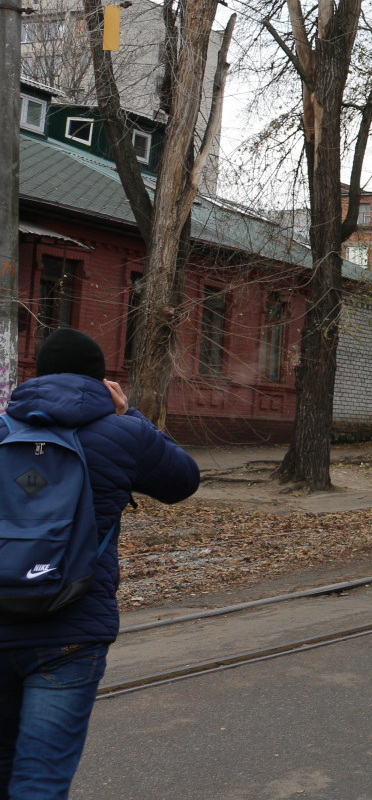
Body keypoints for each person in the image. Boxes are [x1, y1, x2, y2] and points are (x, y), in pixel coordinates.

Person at [0, 328, 199, 799]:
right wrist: (133, 415)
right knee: (40, 780)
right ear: (102, 379)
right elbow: (182, 481)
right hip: (72, 629)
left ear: (37, 375)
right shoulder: (122, 431)